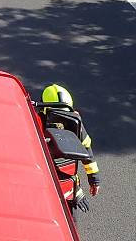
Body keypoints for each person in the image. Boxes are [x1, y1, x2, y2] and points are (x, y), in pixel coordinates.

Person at [40, 84, 101, 213]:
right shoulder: (74, 124)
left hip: (61, 189)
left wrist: (93, 179)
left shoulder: (36, 122)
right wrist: (92, 180)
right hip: (64, 188)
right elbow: (87, 152)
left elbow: (87, 152)